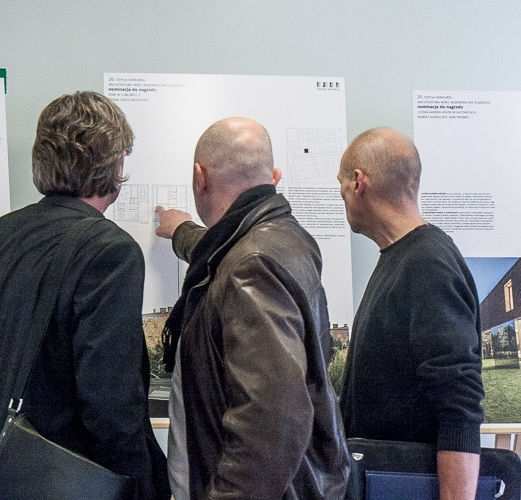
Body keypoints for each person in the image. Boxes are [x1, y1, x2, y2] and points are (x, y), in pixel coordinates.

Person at [0, 91, 169, 499]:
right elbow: (110, 403)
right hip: (78, 481)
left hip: (6, 475)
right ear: (117, 163)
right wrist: (139, 486)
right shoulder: (110, 250)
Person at [154, 117, 350, 499]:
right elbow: (219, 250)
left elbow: (272, 421)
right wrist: (182, 231)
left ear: (200, 177)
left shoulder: (251, 266)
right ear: (273, 177)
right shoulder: (278, 237)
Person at [337, 127, 485, 499]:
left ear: (358, 182)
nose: (341, 195)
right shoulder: (402, 257)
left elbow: (459, 401)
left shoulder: (428, 262)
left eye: (340, 184)